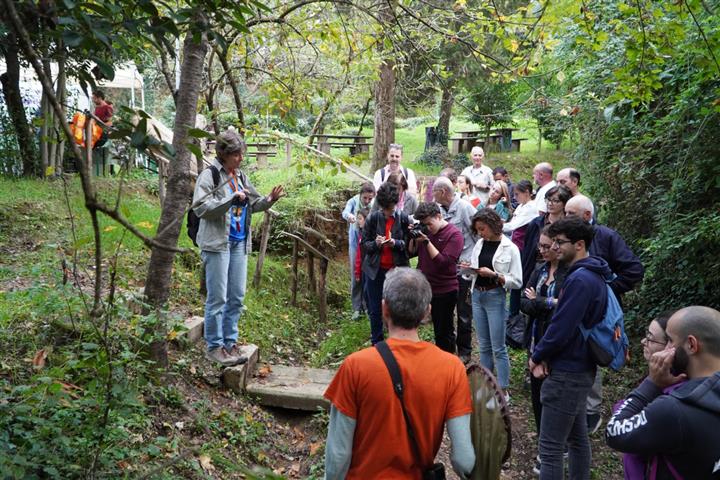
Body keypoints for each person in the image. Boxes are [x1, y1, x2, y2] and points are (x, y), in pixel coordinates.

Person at [324, 268, 475, 479]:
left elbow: (338, 455)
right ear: (426, 312)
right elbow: (464, 460)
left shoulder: (355, 367)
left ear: (384, 308)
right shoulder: (452, 369)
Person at [528, 216, 615, 480]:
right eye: (552, 241)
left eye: (559, 242)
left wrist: (538, 356)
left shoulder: (580, 281)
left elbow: (561, 328)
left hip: (567, 372)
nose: (553, 248)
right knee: (577, 439)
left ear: (579, 244)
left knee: (551, 447)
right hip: (579, 369)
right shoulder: (592, 275)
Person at [192, 129, 285, 366]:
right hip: (217, 243)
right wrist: (230, 199)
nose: (241, 158)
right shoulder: (210, 175)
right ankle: (214, 346)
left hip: (239, 242)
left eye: (241, 154)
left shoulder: (240, 176)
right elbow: (201, 207)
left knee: (236, 296)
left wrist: (269, 200)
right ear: (224, 154)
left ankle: (230, 343)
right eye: (236, 155)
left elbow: (253, 203)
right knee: (218, 298)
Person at [606, 306, 720, 479]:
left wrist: (651, 384)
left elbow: (614, 432)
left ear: (691, 345)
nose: (666, 349)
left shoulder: (674, 410)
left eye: (670, 341)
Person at [565, 194, 645, 433]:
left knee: (593, 351)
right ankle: (575, 407)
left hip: (598, 311)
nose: (565, 217)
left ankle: (591, 411)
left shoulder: (606, 236)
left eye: (571, 214)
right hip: (571, 304)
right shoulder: (566, 236)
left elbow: (634, 269)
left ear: (587, 215)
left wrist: (608, 289)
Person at [611, 310, 683, 480]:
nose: (644, 341)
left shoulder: (670, 396)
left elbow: (620, 427)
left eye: (650, 338)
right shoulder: (659, 380)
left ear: (670, 347)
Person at [520, 226, 569, 475]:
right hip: (535, 341)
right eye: (540, 246)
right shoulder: (539, 270)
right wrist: (548, 303)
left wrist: (540, 301)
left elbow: (564, 309)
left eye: (547, 246)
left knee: (554, 399)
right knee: (537, 398)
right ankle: (545, 445)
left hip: (556, 346)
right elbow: (523, 303)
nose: (542, 250)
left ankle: (555, 449)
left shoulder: (568, 274)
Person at [463, 208, 522, 393]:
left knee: (498, 347)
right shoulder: (480, 244)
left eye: (483, 229)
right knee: (484, 344)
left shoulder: (510, 248)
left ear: (494, 225)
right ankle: (486, 386)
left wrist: (495, 275)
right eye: (478, 230)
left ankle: (503, 389)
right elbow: (474, 270)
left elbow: (517, 281)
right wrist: (468, 269)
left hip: (495, 296)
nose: (481, 233)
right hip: (477, 294)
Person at [433, 176, 478, 363]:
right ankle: (447, 351)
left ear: (442, 192)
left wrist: (475, 262)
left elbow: (478, 233)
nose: (431, 194)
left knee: (464, 312)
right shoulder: (438, 211)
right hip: (446, 269)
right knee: (445, 310)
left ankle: (465, 351)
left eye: (433, 191)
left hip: (464, 268)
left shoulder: (465, 207)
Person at [408, 202, 464, 353]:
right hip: (424, 287)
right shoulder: (426, 231)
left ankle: (448, 365)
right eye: (423, 224)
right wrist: (413, 237)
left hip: (444, 290)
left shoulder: (454, 234)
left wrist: (427, 241)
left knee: (443, 332)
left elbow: (444, 263)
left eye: (429, 224)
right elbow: (411, 252)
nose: (427, 227)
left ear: (439, 216)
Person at [361, 182, 411, 345]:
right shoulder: (373, 218)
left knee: (397, 308)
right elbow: (365, 245)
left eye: (392, 207)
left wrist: (395, 243)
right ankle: (377, 342)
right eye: (387, 209)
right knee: (375, 309)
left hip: (396, 271)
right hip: (375, 271)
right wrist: (376, 244)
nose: (390, 212)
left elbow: (408, 245)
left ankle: (397, 341)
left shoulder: (403, 218)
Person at [521, 185, 572, 292]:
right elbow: (527, 252)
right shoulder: (536, 223)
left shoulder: (569, 225)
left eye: (555, 200)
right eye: (548, 199)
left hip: (560, 271)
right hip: (535, 270)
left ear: (564, 203)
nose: (550, 203)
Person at [342, 183, 376, 320]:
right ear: (360, 195)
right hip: (355, 244)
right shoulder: (353, 201)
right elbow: (345, 212)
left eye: (369, 198)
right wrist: (350, 217)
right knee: (355, 276)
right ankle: (356, 307)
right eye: (365, 198)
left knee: (367, 275)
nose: (367, 201)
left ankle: (367, 305)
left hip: (368, 244)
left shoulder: (374, 205)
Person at [352, 207, 371, 319]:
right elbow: (359, 255)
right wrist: (357, 272)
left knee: (368, 290)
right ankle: (366, 309)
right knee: (364, 289)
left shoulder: (369, 235)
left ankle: (370, 310)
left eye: (360, 218)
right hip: (363, 269)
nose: (358, 221)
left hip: (370, 269)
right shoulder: (360, 233)